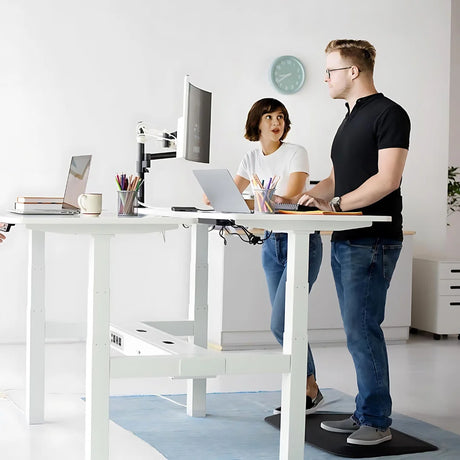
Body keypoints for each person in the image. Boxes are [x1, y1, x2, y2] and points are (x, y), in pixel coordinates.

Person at [297, 40, 410, 445]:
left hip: (373, 239)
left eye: (330, 70)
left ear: (354, 72)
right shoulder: (349, 118)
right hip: (346, 237)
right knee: (355, 330)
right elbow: (334, 178)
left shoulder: (390, 114)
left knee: (363, 330)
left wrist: (338, 205)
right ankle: (365, 410)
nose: (325, 78)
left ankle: (377, 421)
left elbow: (387, 180)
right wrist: (304, 197)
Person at [234, 98, 324, 414]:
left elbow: (290, 197)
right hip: (271, 243)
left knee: (281, 322)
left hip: (301, 241)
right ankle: (309, 387)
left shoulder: (295, 152)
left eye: (281, 117)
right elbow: (230, 198)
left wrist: (251, 200)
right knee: (287, 322)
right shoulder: (250, 156)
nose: (276, 122)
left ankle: (308, 385)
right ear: (256, 123)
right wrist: (246, 199)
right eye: (269, 116)